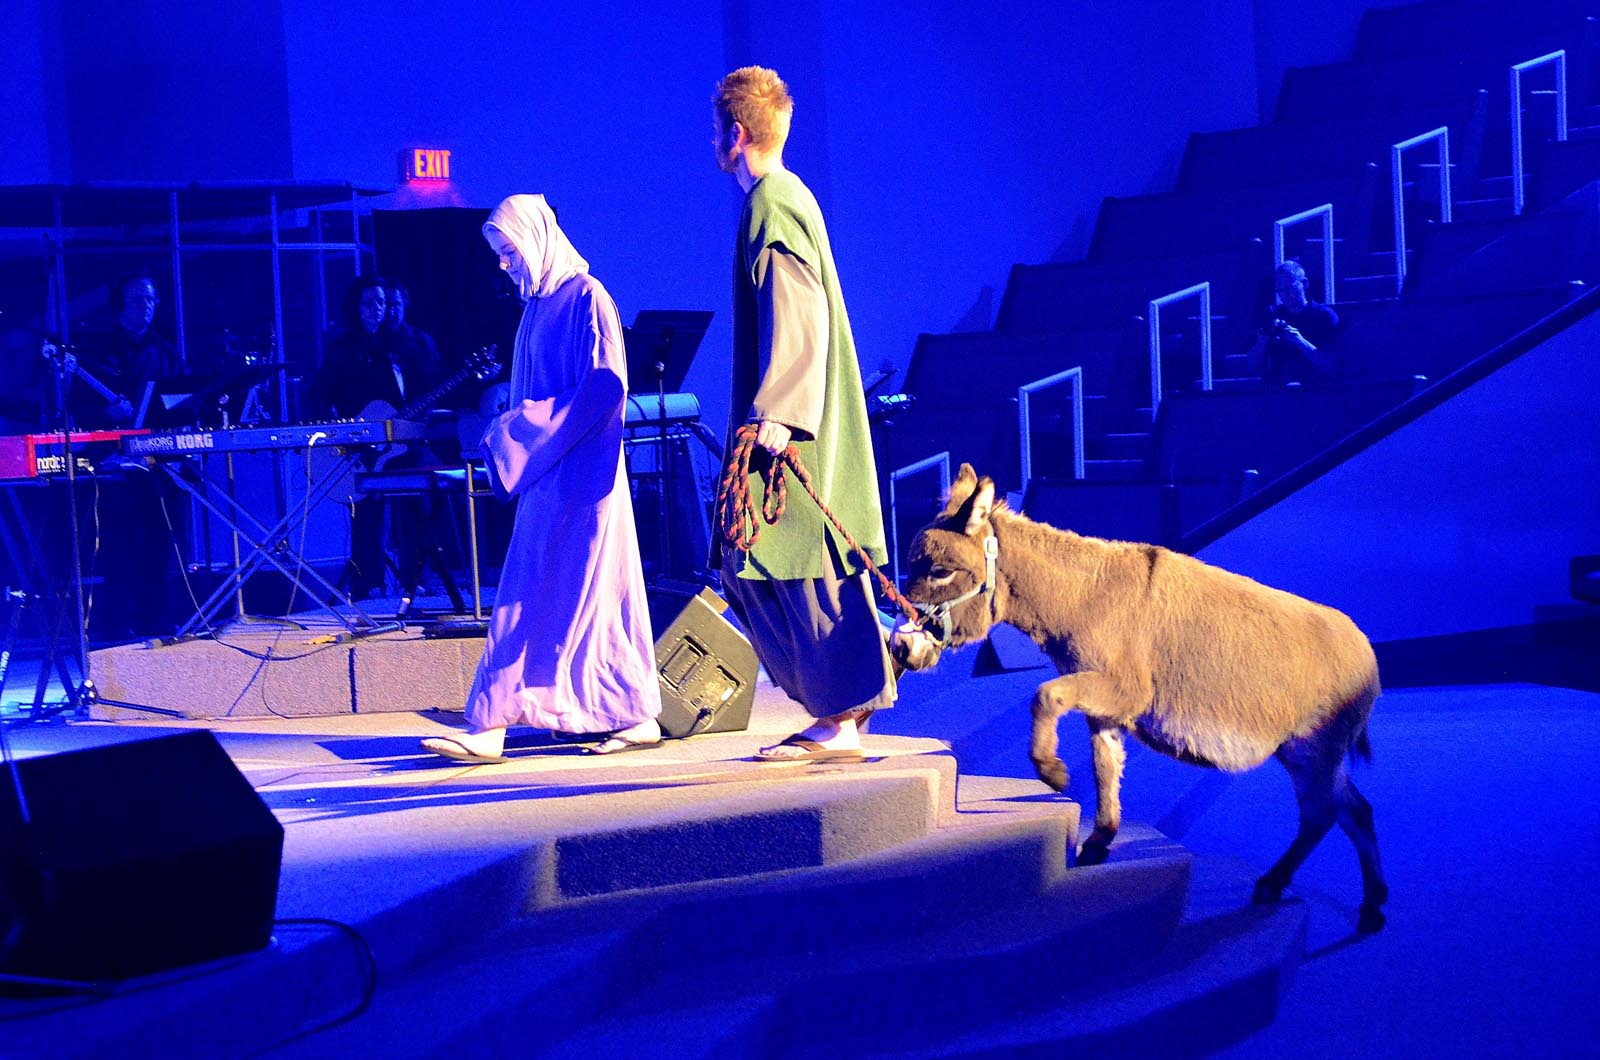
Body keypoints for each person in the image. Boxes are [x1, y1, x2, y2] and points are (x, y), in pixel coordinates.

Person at [421, 194, 662, 762]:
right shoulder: (539, 306)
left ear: (537, 238)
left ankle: (490, 724)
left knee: (530, 592)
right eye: (499, 255)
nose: (505, 264)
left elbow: (605, 387)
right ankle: (633, 712)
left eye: (510, 251)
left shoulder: (587, 297)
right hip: (553, 473)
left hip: (580, 477)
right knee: (595, 599)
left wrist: (520, 431)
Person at [709, 66, 896, 762]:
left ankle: (841, 717)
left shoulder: (772, 202)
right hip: (800, 419)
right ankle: (841, 709)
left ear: (736, 133)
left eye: (716, 131)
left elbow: (797, 306)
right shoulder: (789, 195)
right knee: (767, 563)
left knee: (792, 560)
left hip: (796, 428)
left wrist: (779, 414)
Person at [313, 275, 441, 601]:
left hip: (402, 443)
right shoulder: (343, 349)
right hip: (358, 447)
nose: (377, 310)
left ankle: (416, 581)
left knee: (415, 502)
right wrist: (337, 433)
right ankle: (368, 583)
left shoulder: (405, 346)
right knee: (366, 515)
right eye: (369, 303)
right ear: (356, 307)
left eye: (382, 302)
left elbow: (423, 390)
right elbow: (318, 395)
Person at [65, 273, 179, 428]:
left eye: (149, 299)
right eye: (136, 299)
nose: (145, 305)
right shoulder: (96, 350)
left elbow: (184, 396)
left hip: (160, 439)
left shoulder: (167, 354)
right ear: (120, 303)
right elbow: (79, 406)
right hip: (112, 440)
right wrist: (106, 415)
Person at [1245, 260, 1340, 386]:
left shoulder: (1324, 316)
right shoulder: (1271, 315)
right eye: (1281, 290)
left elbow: (1333, 367)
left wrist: (1300, 341)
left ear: (1305, 284)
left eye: (1291, 288)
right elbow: (1252, 367)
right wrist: (1262, 342)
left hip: (1315, 388)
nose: (1286, 295)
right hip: (1279, 388)